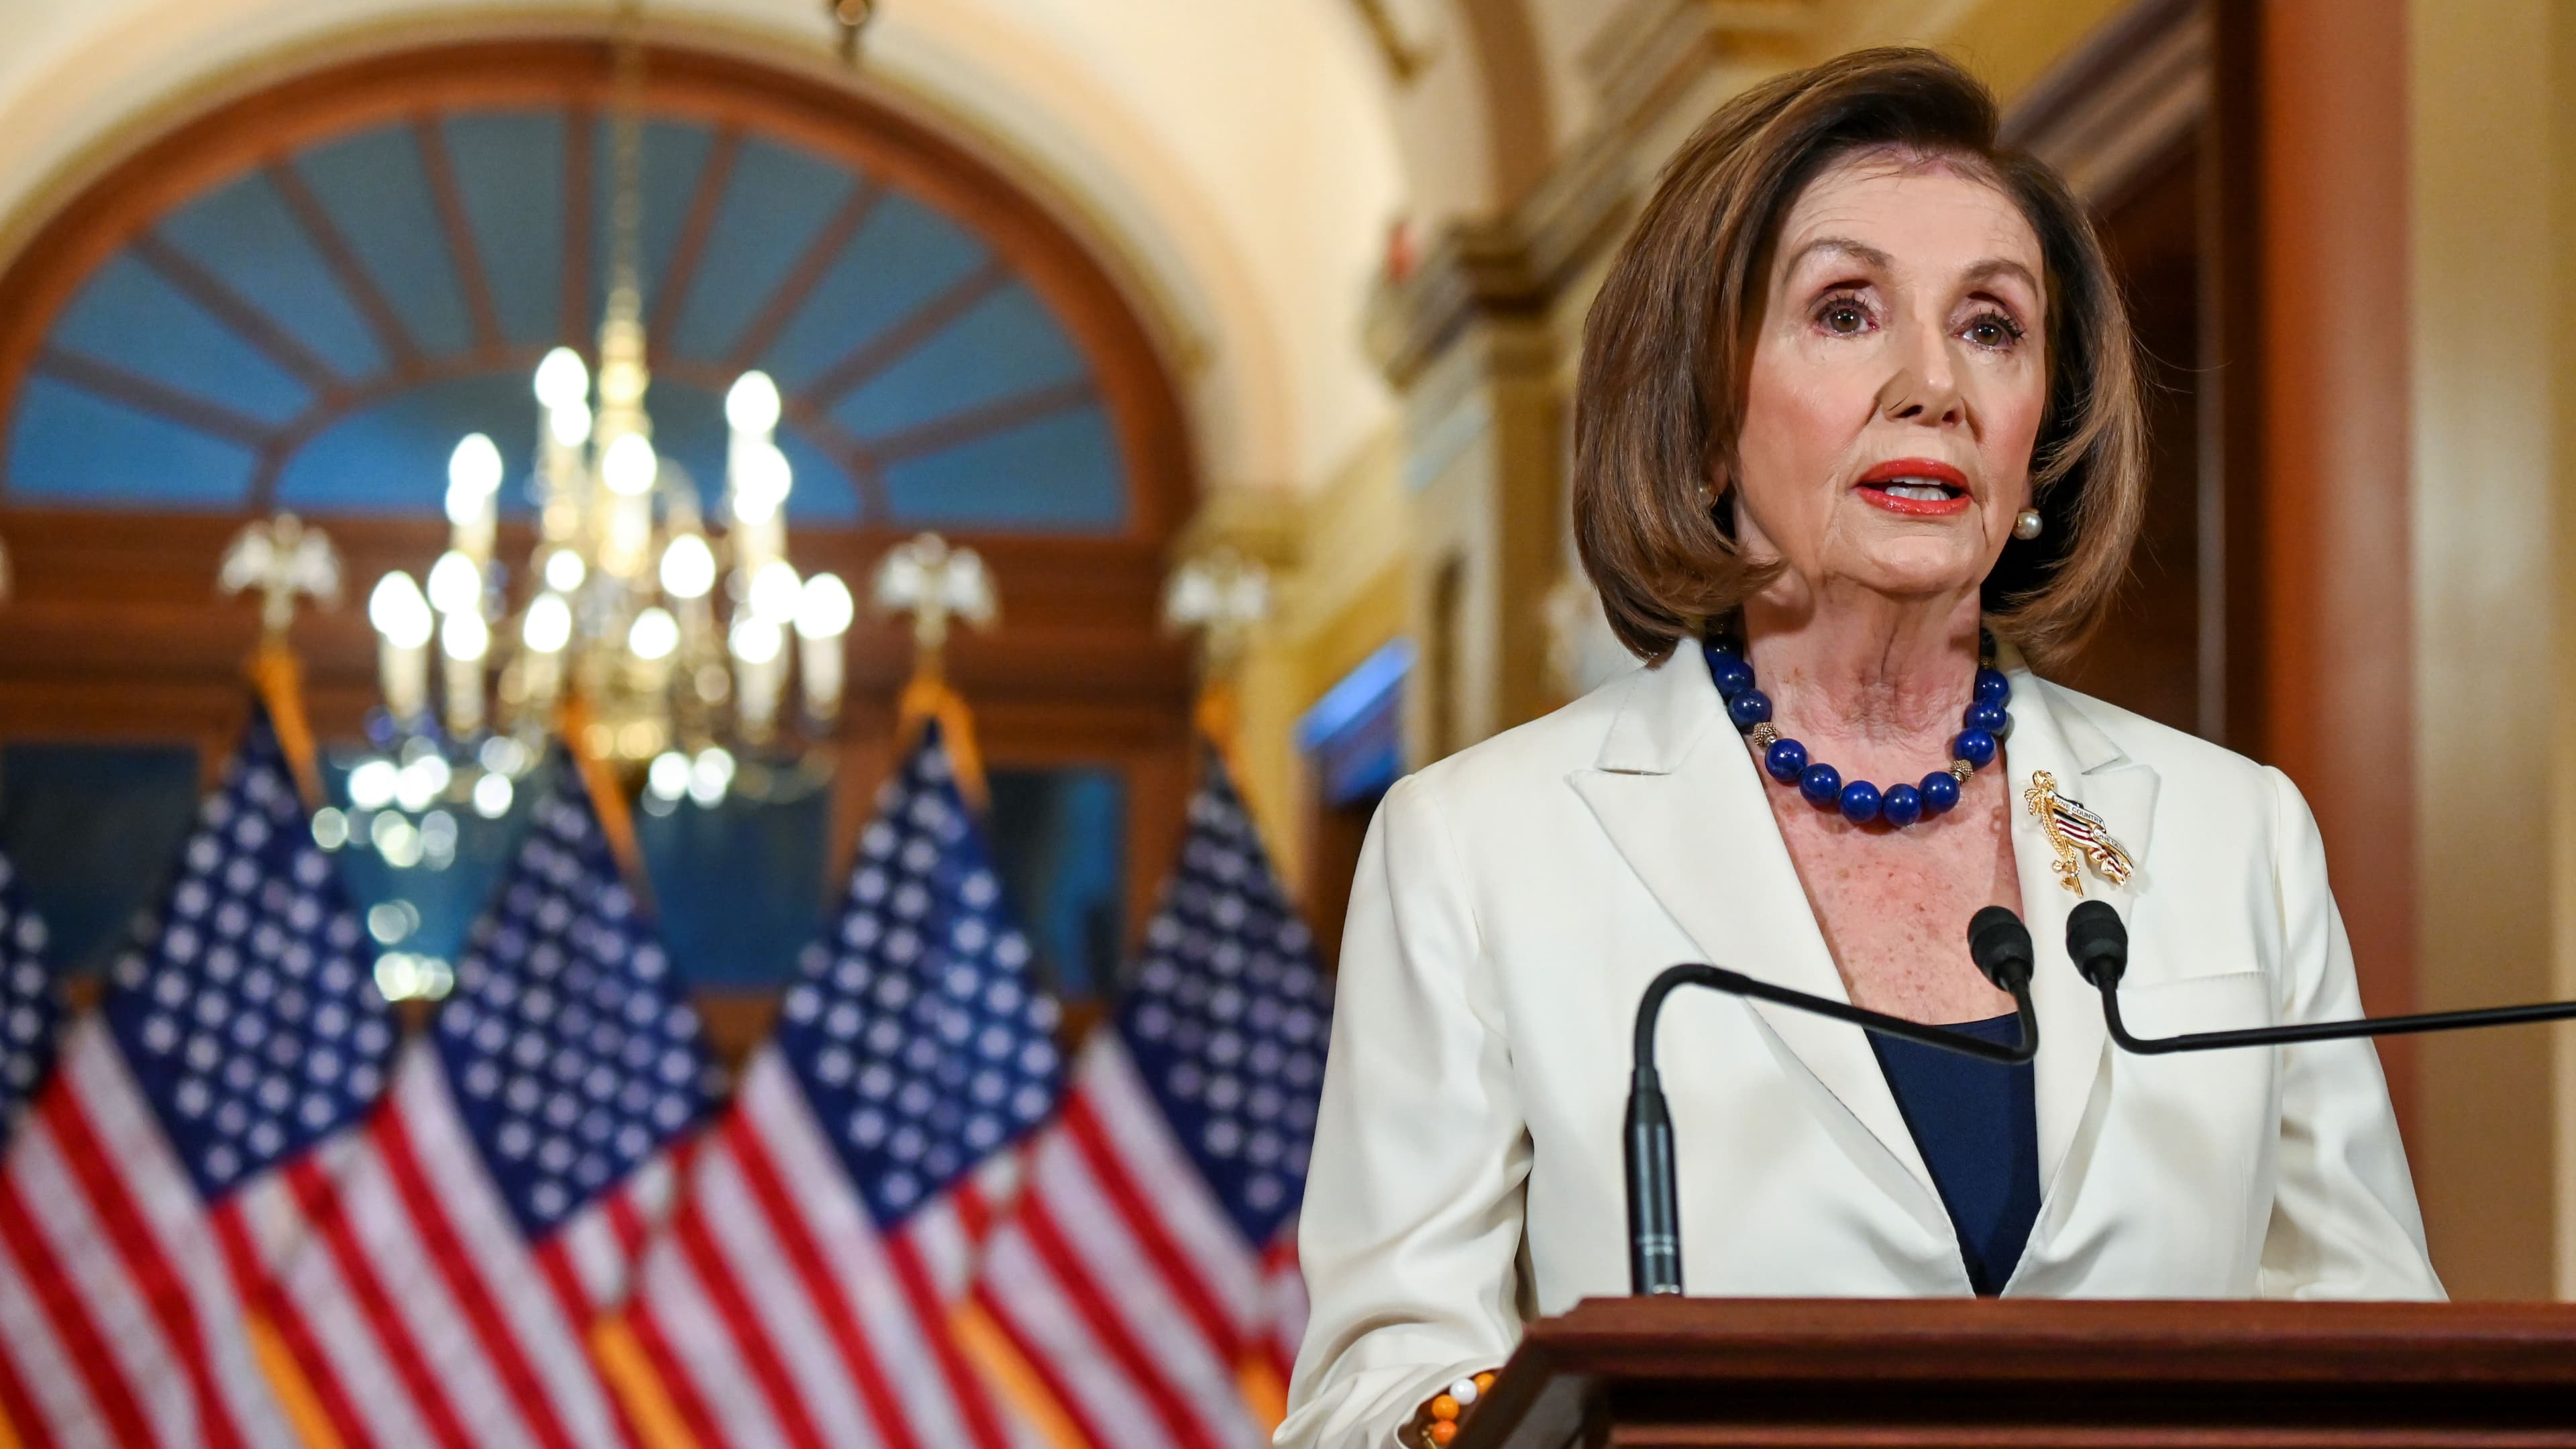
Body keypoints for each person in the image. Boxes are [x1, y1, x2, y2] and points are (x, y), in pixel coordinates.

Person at [1276, 46, 2442, 1449]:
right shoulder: (1477, 847)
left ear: (2039, 443)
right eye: (1845, 312)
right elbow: (1376, 1392)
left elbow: (2375, 1347)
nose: (1933, 382)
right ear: (1704, 418)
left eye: (1994, 328)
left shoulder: (2232, 831)